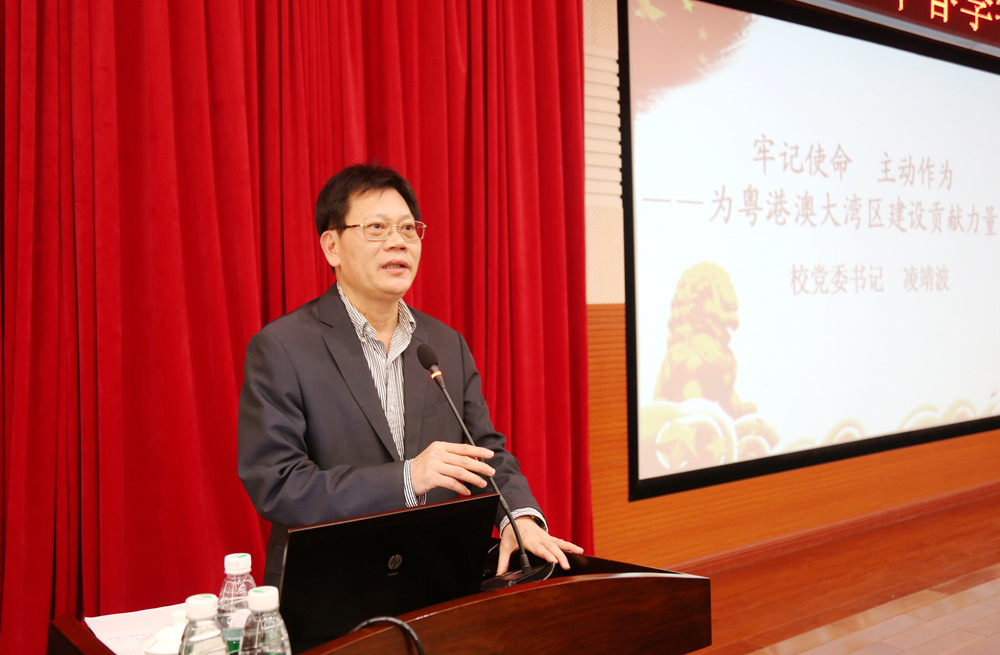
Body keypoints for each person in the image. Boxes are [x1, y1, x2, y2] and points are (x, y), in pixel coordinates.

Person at [238, 163, 582, 580]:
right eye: (377, 228)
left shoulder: (444, 344)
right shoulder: (283, 347)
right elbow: (278, 485)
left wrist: (518, 518)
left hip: (436, 579)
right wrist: (407, 477)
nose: (398, 242)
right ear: (332, 247)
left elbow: (483, 450)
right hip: (332, 587)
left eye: (407, 229)